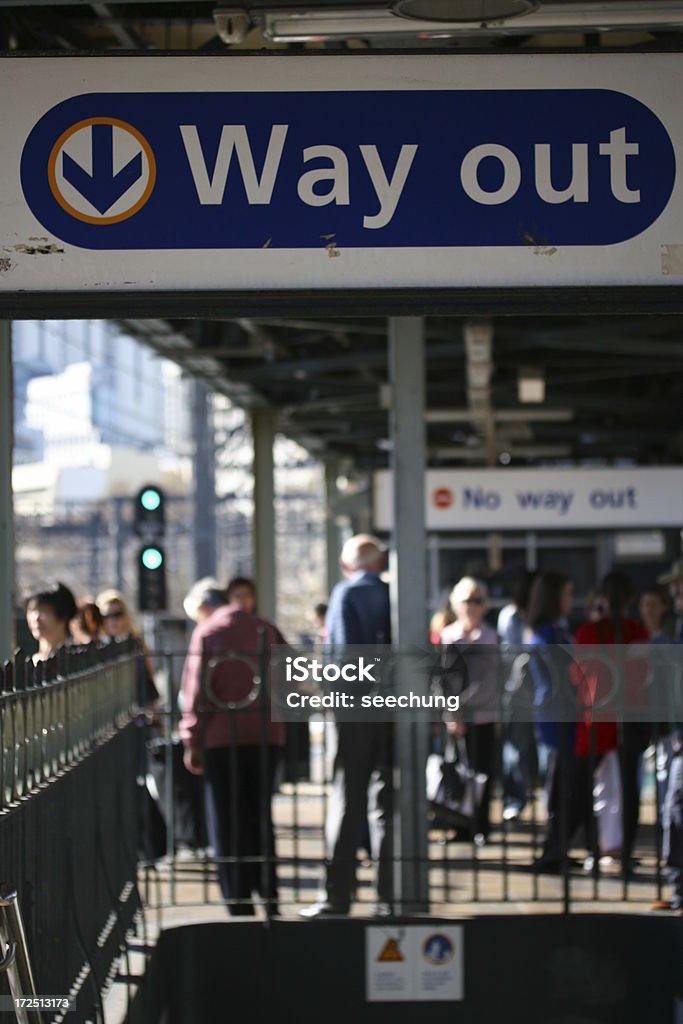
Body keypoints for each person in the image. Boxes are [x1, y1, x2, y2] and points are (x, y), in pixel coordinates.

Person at [301, 534, 392, 918]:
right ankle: (391, 895)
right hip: (394, 708)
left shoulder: (345, 595)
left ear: (347, 565)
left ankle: (338, 896)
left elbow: (342, 658)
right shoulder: (394, 595)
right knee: (388, 803)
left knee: (347, 800)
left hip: (356, 710)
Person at [180, 587, 287, 915]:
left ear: (204, 607)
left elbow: (196, 691)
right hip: (266, 736)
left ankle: (238, 900)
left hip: (222, 738)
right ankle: (268, 893)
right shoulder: (266, 628)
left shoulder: (208, 632)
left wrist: (191, 739)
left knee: (226, 820)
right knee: (260, 816)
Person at [574, 571, 649, 875]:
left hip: (598, 719)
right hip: (627, 719)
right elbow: (644, 676)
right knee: (627, 787)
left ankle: (598, 846)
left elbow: (576, 675)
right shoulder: (637, 632)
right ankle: (620, 847)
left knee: (596, 787)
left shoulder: (589, 633)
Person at [524, 571, 579, 873]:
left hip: (559, 717)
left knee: (562, 785)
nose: (572, 599)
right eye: (568, 593)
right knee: (558, 786)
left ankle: (557, 846)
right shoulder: (547, 633)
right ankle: (553, 848)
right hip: (557, 718)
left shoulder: (554, 630)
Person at [440, 577, 499, 844]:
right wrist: (452, 713)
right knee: (457, 770)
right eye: (467, 601)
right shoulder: (448, 636)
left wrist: (463, 708)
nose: (471, 607)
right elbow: (440, 678)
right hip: (455, 718)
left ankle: (481, 826)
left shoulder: (490, 638)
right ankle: (460, 824)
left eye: (477, 601)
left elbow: (488, 681)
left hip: (483, 715)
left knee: (481, 772)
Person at [498, 570, 538, 820]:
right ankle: (515, 797)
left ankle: (539, 791)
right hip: (517, 691)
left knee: (542, 749)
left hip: (543, 691)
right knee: (516, 748)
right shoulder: (512, 617)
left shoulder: (548, 619)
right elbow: (512, 653)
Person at [96, 589, 159, 707]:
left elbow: (149, 676)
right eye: (106, 616)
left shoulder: (136, 643)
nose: (113, 620)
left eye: (117, 614)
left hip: (136, 705)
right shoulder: (97, 646)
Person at [25, 581, 78, 663]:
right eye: (32, 610)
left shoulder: (77, 660)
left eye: (44, 611)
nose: (36, 617)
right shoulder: (29, 663)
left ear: (63, 615)